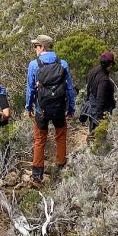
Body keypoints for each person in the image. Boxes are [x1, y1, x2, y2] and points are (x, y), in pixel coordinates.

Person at [25, 34, 76, 185]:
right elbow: (69, 89)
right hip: (59, 107)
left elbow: (30, 89)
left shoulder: (34, 65)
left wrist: (29, 107)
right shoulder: (63, 64)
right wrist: (71, 108)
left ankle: (37, 175)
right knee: (60, 136)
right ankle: (60, 166)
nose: (35, 49)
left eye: (36, 46)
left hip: (42, 109)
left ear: (42, 47)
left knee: (40, 140)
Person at [85, 51, 116, 140]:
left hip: (92, 109)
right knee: (99, 139)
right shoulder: (104, 80)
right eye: (112, 64)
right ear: (109, 65)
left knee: (93, 137)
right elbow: (100, 99)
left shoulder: (94, 71)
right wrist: (99, 120)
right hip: (100, 114)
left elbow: (88, 88)